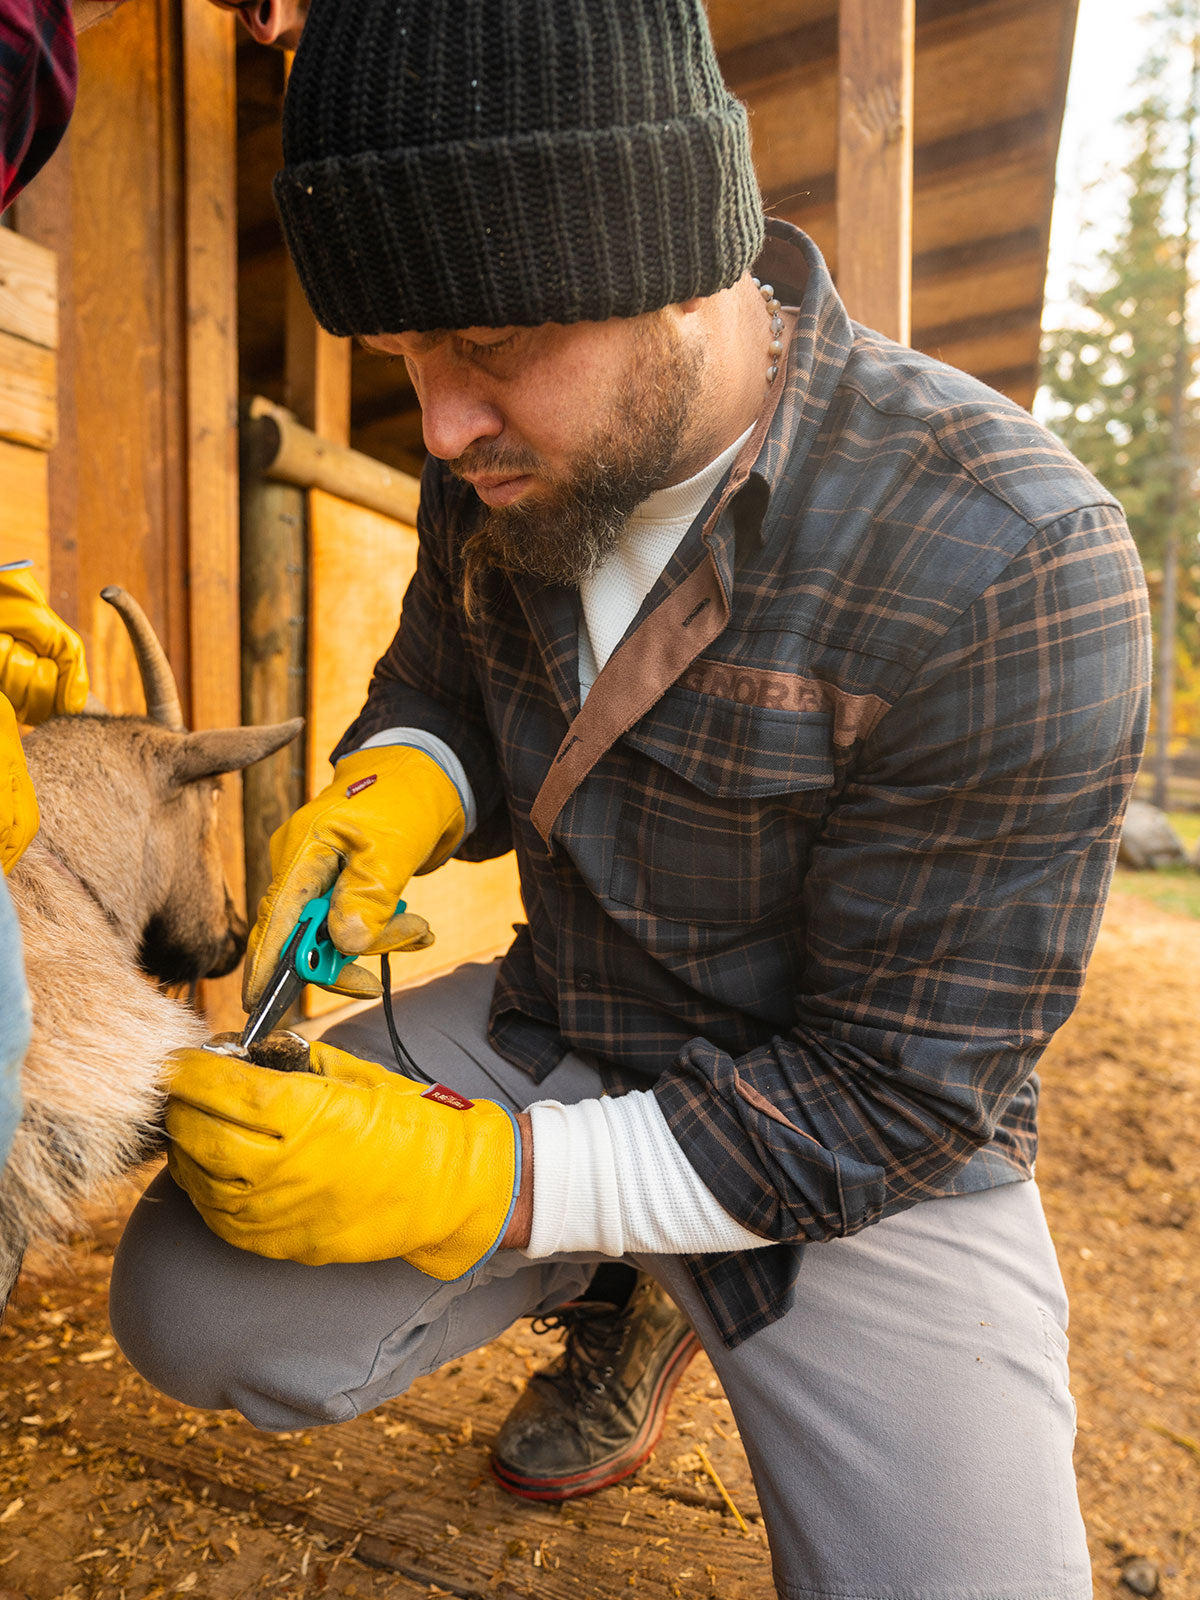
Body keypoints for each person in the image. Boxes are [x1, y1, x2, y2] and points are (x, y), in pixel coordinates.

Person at [110, 2, 1150, 1594]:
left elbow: (897, 1096)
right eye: (403, 358)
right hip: (571, 1024)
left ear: (672, 258)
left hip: (854, 1151)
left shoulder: (1016, 555)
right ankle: (620, 1258)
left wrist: (478, 1180)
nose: (441, 426)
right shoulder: (499, 467)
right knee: (191, 1300)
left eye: (487, 345)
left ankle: (645, 1273)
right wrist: (397, 785)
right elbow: (440, 687)